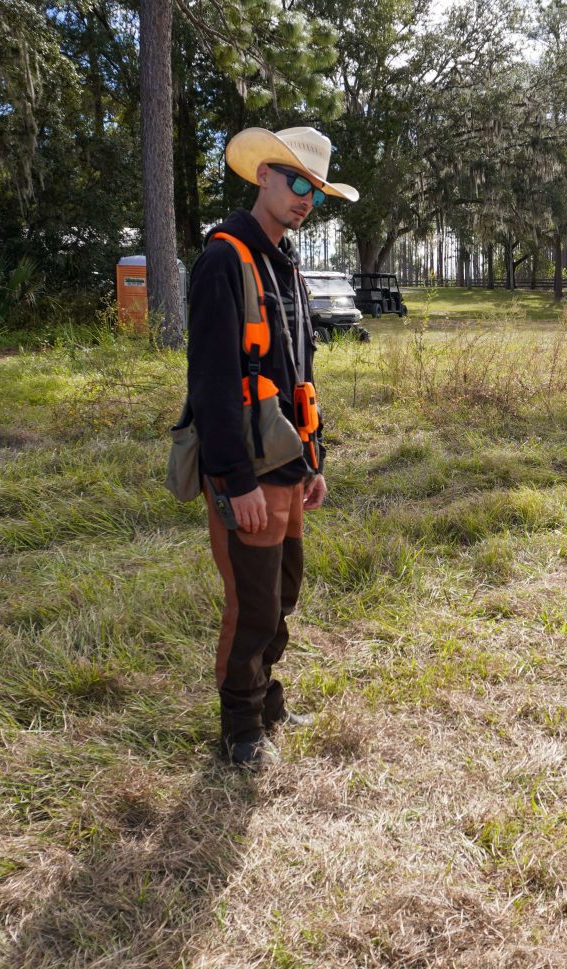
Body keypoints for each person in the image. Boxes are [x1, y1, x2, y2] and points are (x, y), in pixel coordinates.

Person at [186, 126, 359, 769]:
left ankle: (265, 699)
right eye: (296, 182)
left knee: (284, 592)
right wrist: (235, 480)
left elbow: (298, 372)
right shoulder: (223, 260)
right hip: (246, 469)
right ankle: (239, 727)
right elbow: (209, 381)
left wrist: (313, 461)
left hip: (289, 460)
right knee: (253, 599)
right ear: (263, 176)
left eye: (315, 188)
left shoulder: (286, 265)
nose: (306, 198)